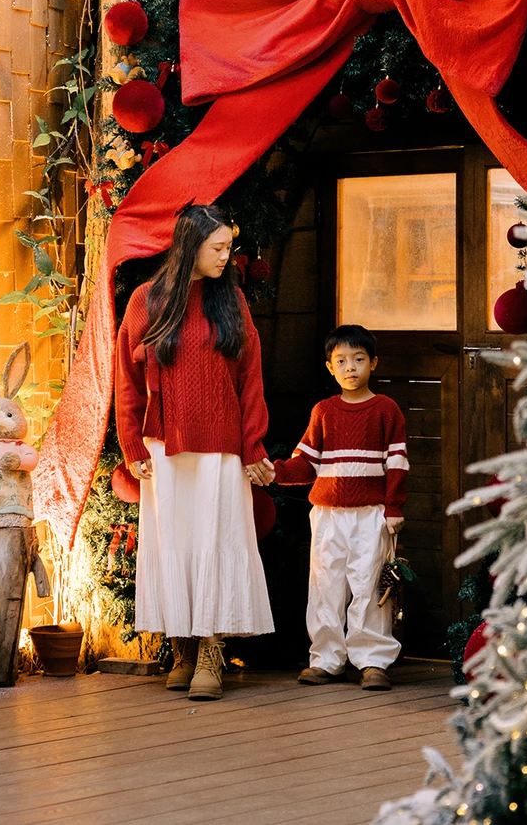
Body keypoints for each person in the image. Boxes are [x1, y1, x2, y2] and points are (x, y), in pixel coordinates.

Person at [115, 203, 275, 701]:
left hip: (222, 449)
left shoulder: (232, 300)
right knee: (175, 543)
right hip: (163, 447)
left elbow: (250, 378)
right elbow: (126, 377)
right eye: (218, 248)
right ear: (190, 247)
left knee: (216, 541)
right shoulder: (146, 300)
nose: (227, 256)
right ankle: (182, 647)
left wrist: (253, 445)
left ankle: (210, 650)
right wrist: (131, 443)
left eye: (229, 247)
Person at [273, 324, 408, 690]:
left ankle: (372, 660)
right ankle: (326, 658)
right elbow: (307, 463)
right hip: (328, 514)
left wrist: (394, 508)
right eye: (342, 361)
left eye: (359, 360)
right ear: (330, 367)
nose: (351, 368)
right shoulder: (323, 411)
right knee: (325, 584)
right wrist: (276, 471)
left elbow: (397, 463)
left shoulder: (386, 410)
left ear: (373, 363)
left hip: (371, 513)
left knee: (369, 585)